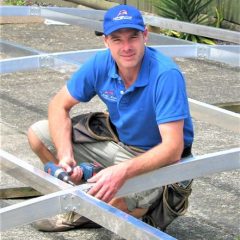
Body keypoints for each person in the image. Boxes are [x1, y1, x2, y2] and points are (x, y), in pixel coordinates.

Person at [28, 4, 194, 232]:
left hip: (160, 163)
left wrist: (121, 172)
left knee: (109, 206)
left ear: (145, 35)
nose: (126, 47)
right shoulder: (101, 63)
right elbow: (58, 105)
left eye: (133, 37)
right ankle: (88, 200)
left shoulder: (165, 75)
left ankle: (134, 208)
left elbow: (173, 148)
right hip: (121, 146)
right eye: (117, 39)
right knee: (39, 134)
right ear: (106, 41)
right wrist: (66, 157)